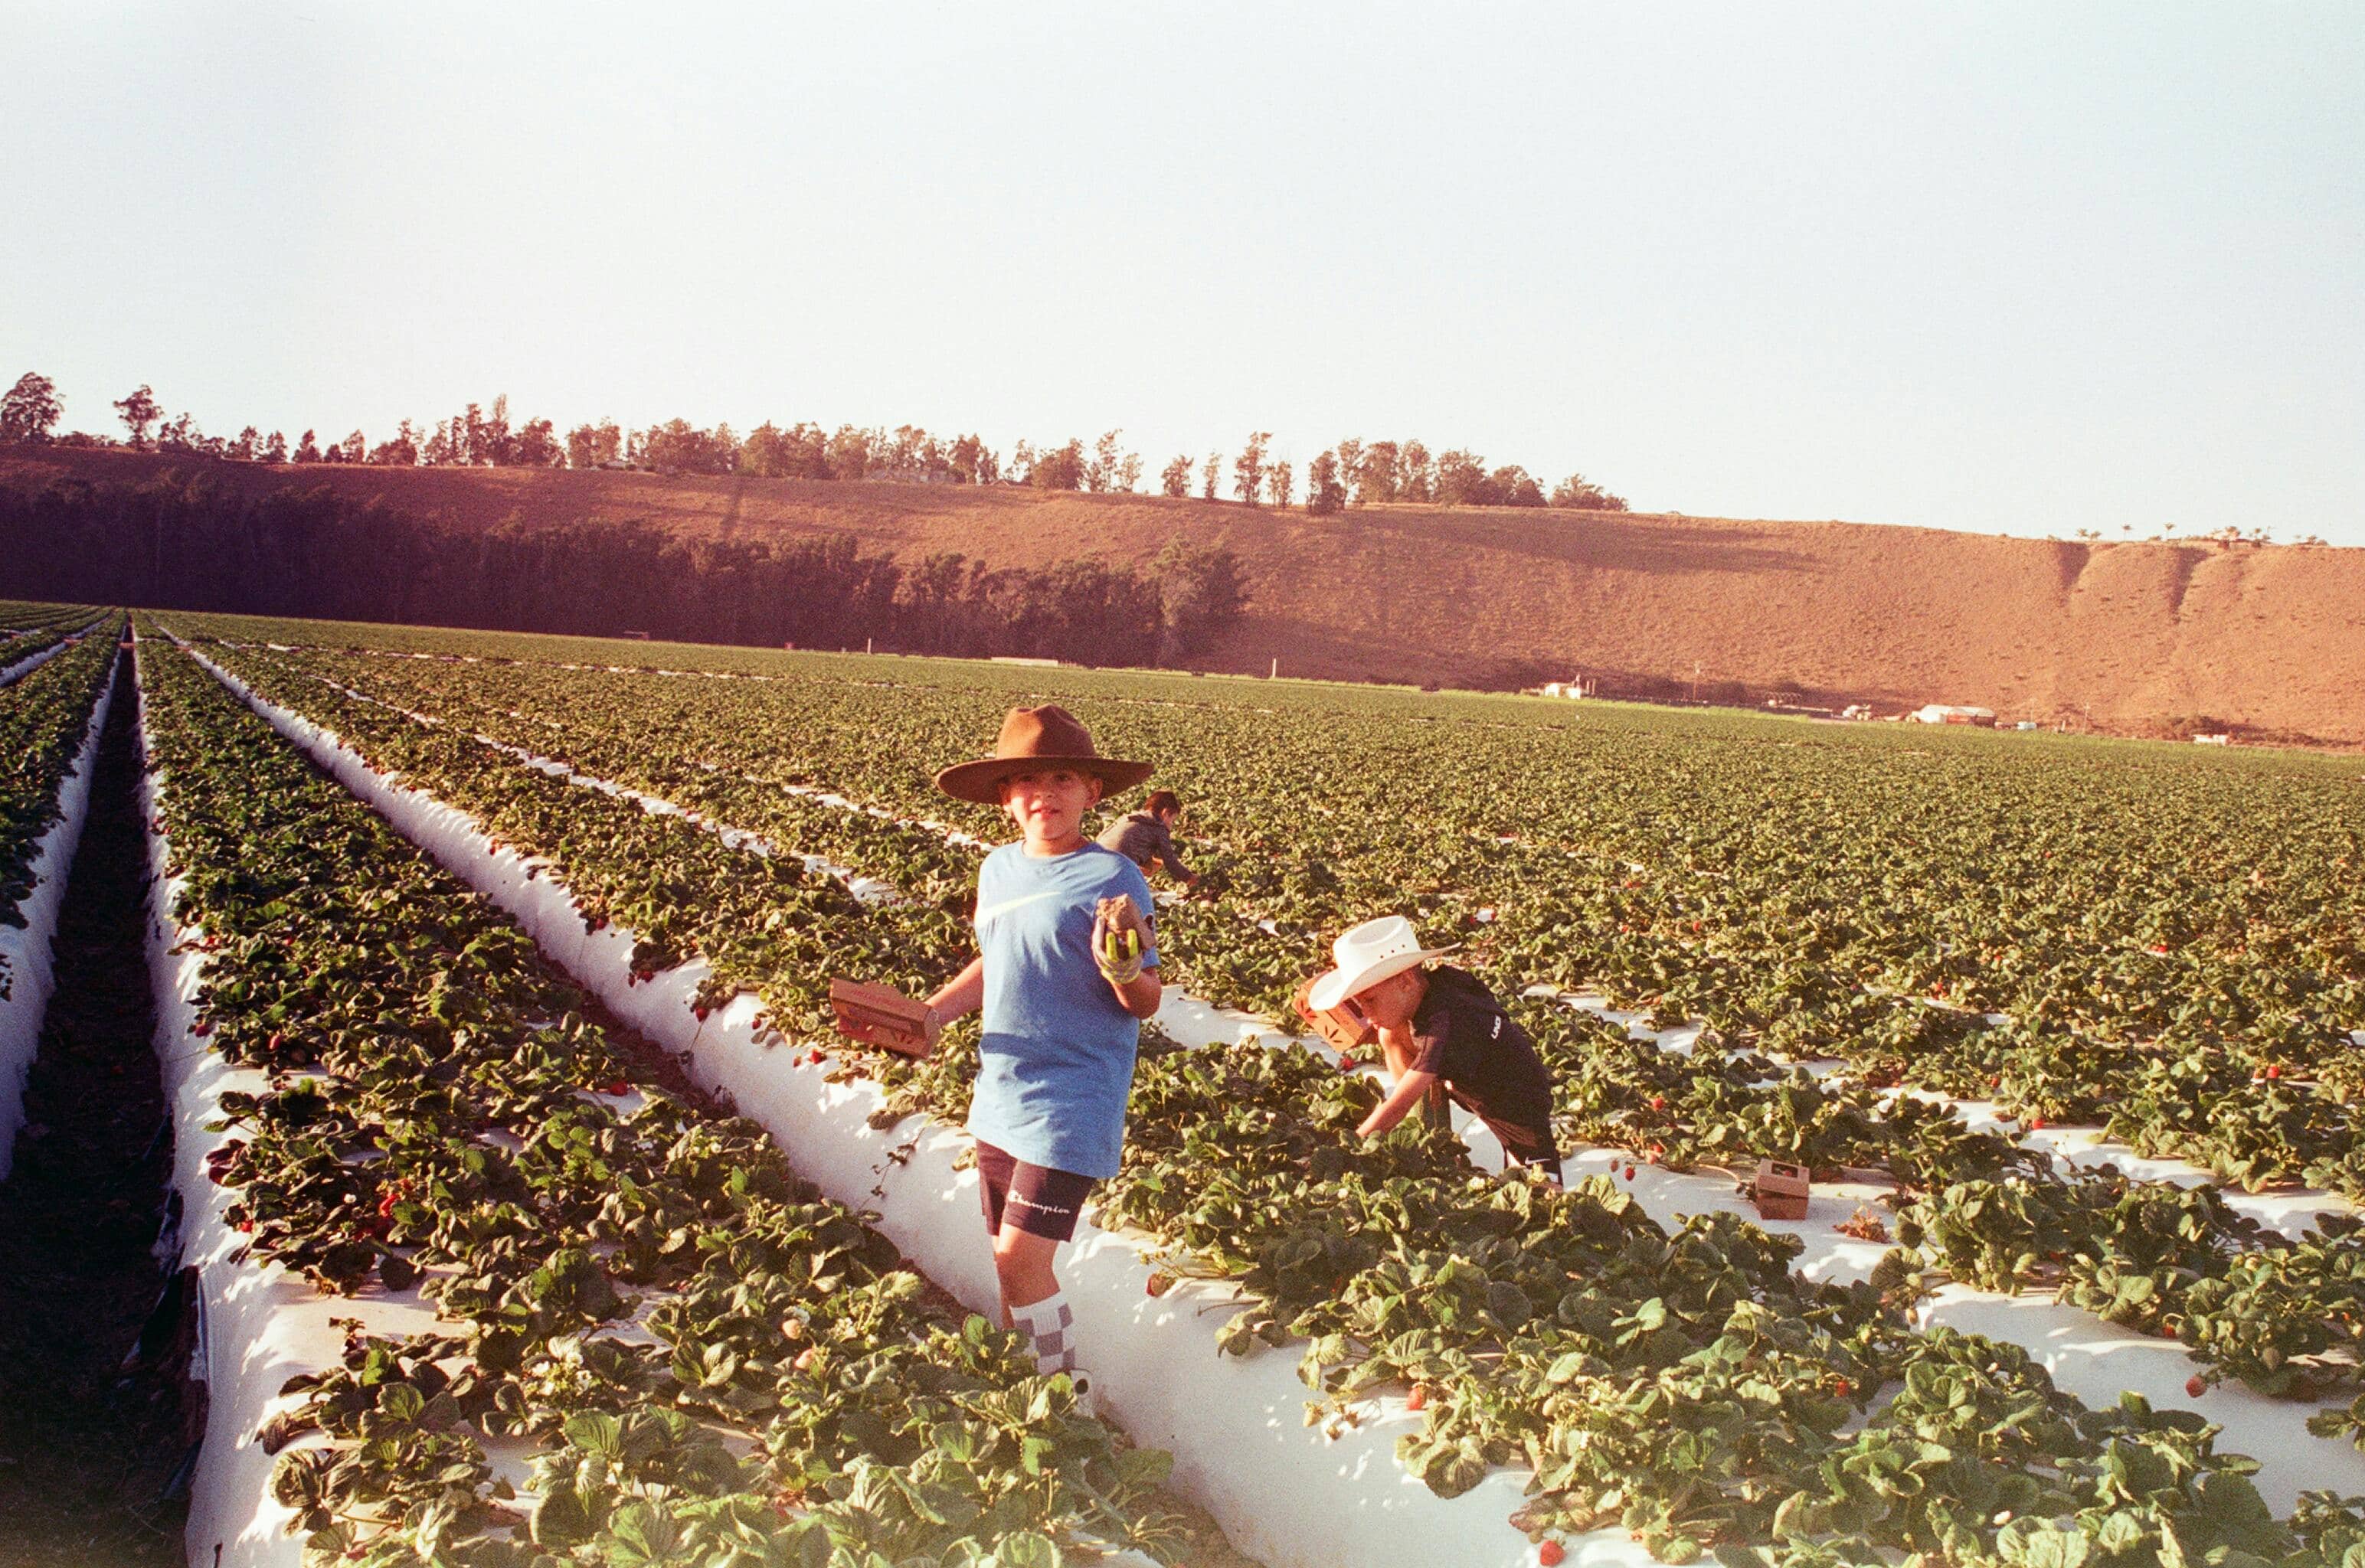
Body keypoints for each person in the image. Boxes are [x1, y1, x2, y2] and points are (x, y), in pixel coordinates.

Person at [921, 704, 1161, 1386]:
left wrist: (1122, 973)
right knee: (1005, 1262)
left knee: (1022, 1264)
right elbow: (997, 960)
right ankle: (1022, 1393)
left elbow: (1147, 997)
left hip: (1073, 1094)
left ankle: (1065, 1403)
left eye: (1062, 778)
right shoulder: (997, 871)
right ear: (1004, 799)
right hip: (1001, 1090)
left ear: (1092, 792)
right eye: (1026, 780)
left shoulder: (1114, 878)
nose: (1044, 794)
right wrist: (935, 1014)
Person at [1307, 916, 1562, 1182]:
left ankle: (1540, 1179)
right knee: (1388, 1031)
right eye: (1360, 1004)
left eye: (1370, 1000)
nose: (1366, 1014)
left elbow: (1397, 1107)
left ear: (1405, 981)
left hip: (1516, 1102)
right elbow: (1483, 1002)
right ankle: (1428, 1133)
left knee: (1542, 1195)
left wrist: (1347, 1151)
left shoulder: (1444, 1025)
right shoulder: (1442, 982)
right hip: (1472, 1070)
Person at [1096, 789, 1199, 890]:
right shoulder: (1159, 827)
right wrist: (1190, 877)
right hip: (1116, 870)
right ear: (1165, 813)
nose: (1171, 825)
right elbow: (1170, 862)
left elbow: (1102, 838)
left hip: (1094, 862)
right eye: (1172, 820)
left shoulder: (1129, 818)